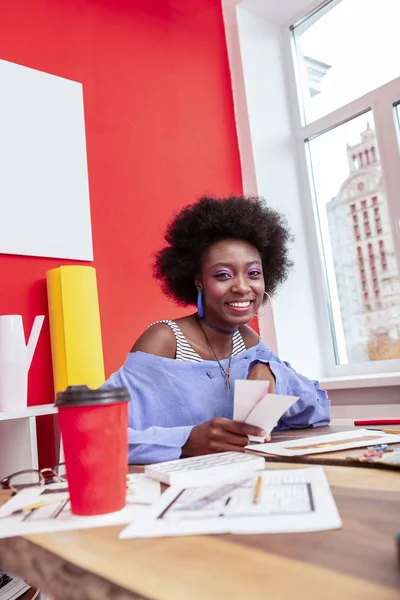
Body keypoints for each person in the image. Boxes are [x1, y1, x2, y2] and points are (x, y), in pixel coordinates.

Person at [102, 195, 330, 463]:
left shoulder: (249, 343)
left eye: (253, 273)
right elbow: (99, 434)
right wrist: (186, 440)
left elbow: (318, 409)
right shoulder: (165, 341)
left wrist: (273, 373)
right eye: (223, 275)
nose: (243, 287)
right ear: (198, 281)